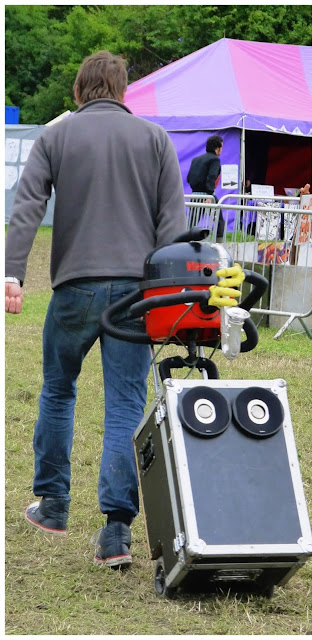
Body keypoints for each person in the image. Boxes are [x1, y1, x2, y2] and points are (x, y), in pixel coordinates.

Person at [5, 51, 186, 568]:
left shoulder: (55, 137)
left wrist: (13, 273)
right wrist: (168, 298)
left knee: (58, 390)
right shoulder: (155, 140)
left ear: (79, 91)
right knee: (125, 406)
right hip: (134, 294)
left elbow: (26, 206)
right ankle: (116, 534)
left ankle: (54, 504)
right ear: (123, 91)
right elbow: (173, 228)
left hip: (72, 290)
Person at [186, 135, 225, 240]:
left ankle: (186, 243)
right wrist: (209, 194)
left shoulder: (196, 159)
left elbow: (189, 178)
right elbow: (211, 177)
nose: (221, 150)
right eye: (221, 147)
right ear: (217, 148)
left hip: (194, 195)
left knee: (192, 223)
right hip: (207, 196)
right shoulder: (214, 160)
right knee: (219, 221)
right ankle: (218, 245)